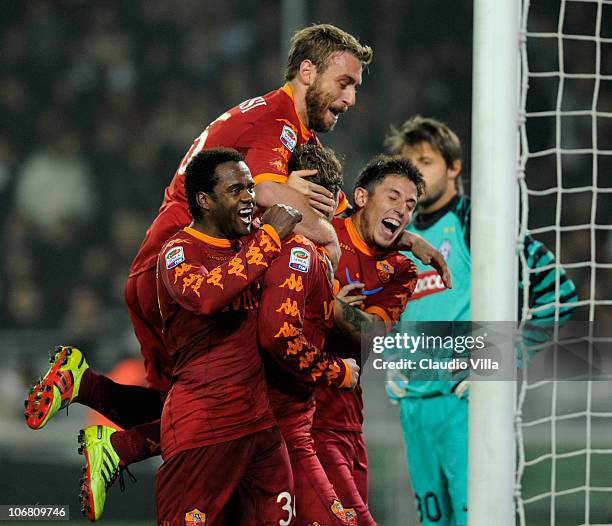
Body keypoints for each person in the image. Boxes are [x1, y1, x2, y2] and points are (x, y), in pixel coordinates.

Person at [23, 25, 445, 522]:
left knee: (200, 406)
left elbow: (297, 204)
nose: (352, 98)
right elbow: (272, 197)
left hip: (177, 270)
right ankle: (109, 429)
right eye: (345, 82)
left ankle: (97, 407)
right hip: (181, 269)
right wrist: (328, 244)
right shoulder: (276, 120)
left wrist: (399, 237)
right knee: (209, 408)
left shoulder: (287, 129)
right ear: (307, 71)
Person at [384, 115, 579, 526]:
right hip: (415, 409)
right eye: (406, 165)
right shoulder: (395, 241)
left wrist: (505, 357)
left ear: (454, 167)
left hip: (465, 405)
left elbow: (559, 293)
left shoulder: (477, 225)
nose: (414, 175)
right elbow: (392, 311)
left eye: (425, 161)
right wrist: (394, 356)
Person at [153, 147, 303, 525]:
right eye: (236, 190)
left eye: (251, 188)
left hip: (260, 429)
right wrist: (269, 238)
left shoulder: (251, 244)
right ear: (204, 200)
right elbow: (207, 297)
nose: (249, 197)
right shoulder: (178, 252)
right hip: (202, 429)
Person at [312, 155, 425, 526]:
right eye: (393, 197)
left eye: (410, 205)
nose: (402, 210)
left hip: (344, 420)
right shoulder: (320, 231)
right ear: (361, 197)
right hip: (299, 415)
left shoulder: (403, 270)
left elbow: (371, 333)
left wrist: (326, 303)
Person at [257, 144, 358, 526]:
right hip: (279, 424)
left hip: (282, 421)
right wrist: (339, 371)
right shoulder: (299, 251)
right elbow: (277, 337)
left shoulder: (269, 242)